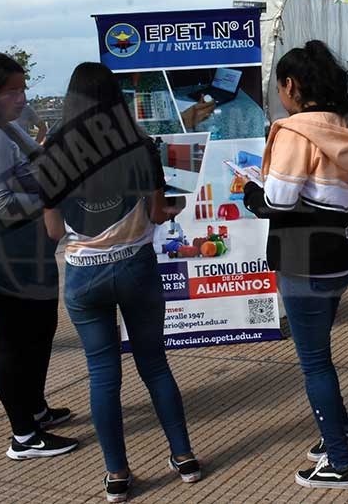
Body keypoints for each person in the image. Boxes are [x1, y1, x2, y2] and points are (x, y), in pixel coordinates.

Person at [41, 63, 200, 503]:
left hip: (83, 276)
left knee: (102, 375)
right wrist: (170, 209)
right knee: (155, 366)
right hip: (136, 268)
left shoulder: (53, 151)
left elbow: (53, 231)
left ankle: (117, 475)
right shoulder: (138, 143)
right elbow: (157, 213)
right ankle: (184, 457)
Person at [243, 40, 348, 490]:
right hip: (342, 254)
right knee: (320, 356)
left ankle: (339, 462)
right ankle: (340, 428)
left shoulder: (296, 132)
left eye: (280, 87)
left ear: (291, 85)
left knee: (315, 364)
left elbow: (279, 199)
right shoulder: (345, 125)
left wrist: (251, 193)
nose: (280, 95)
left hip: (303, 259)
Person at [0, 52, 77, 459]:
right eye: (12, 91)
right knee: (16, 339)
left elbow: (40, 162)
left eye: (23, 88)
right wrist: (52, 200)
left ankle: (35, 408)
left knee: (39, 328)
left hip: (18, 244)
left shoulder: (0, 126)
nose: (22, 98)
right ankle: (24, 436)